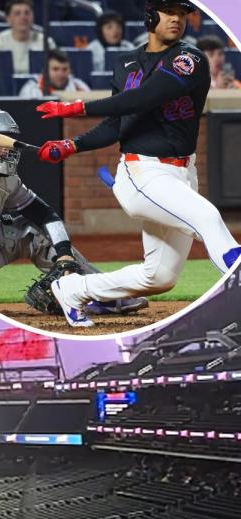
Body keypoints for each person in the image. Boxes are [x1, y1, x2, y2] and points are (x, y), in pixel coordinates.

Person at [35, 0, 241, 327]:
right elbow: (117, 123)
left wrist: (78, 108)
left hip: (181, 173)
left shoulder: (189, 59)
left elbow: (144, 98)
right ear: (150, 16)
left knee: (159, 276)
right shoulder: (126, 63)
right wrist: (72, 145)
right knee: (208, 218)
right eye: (169, 11)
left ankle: (72, 289)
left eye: (182, 13)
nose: (177, 18)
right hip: (142, 172)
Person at [0, 105, 145, 314]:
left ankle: (99, 294)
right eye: (0, 140)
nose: (8, 147)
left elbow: (45, 216)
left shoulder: (6, 180)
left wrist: (64, 254)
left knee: (30, 233)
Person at [0, 0, 58, 73]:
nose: (23, 17)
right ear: (8, 19)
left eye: (27, 13)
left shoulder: (46, 42)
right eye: (17, 13)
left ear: (33, 16)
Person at [19, 49, 92, 98]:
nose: (60, 74)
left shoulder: (80, 87)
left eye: (65, 69)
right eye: (55, 69)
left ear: (70, 70)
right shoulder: (31, 90)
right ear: (45, 71)